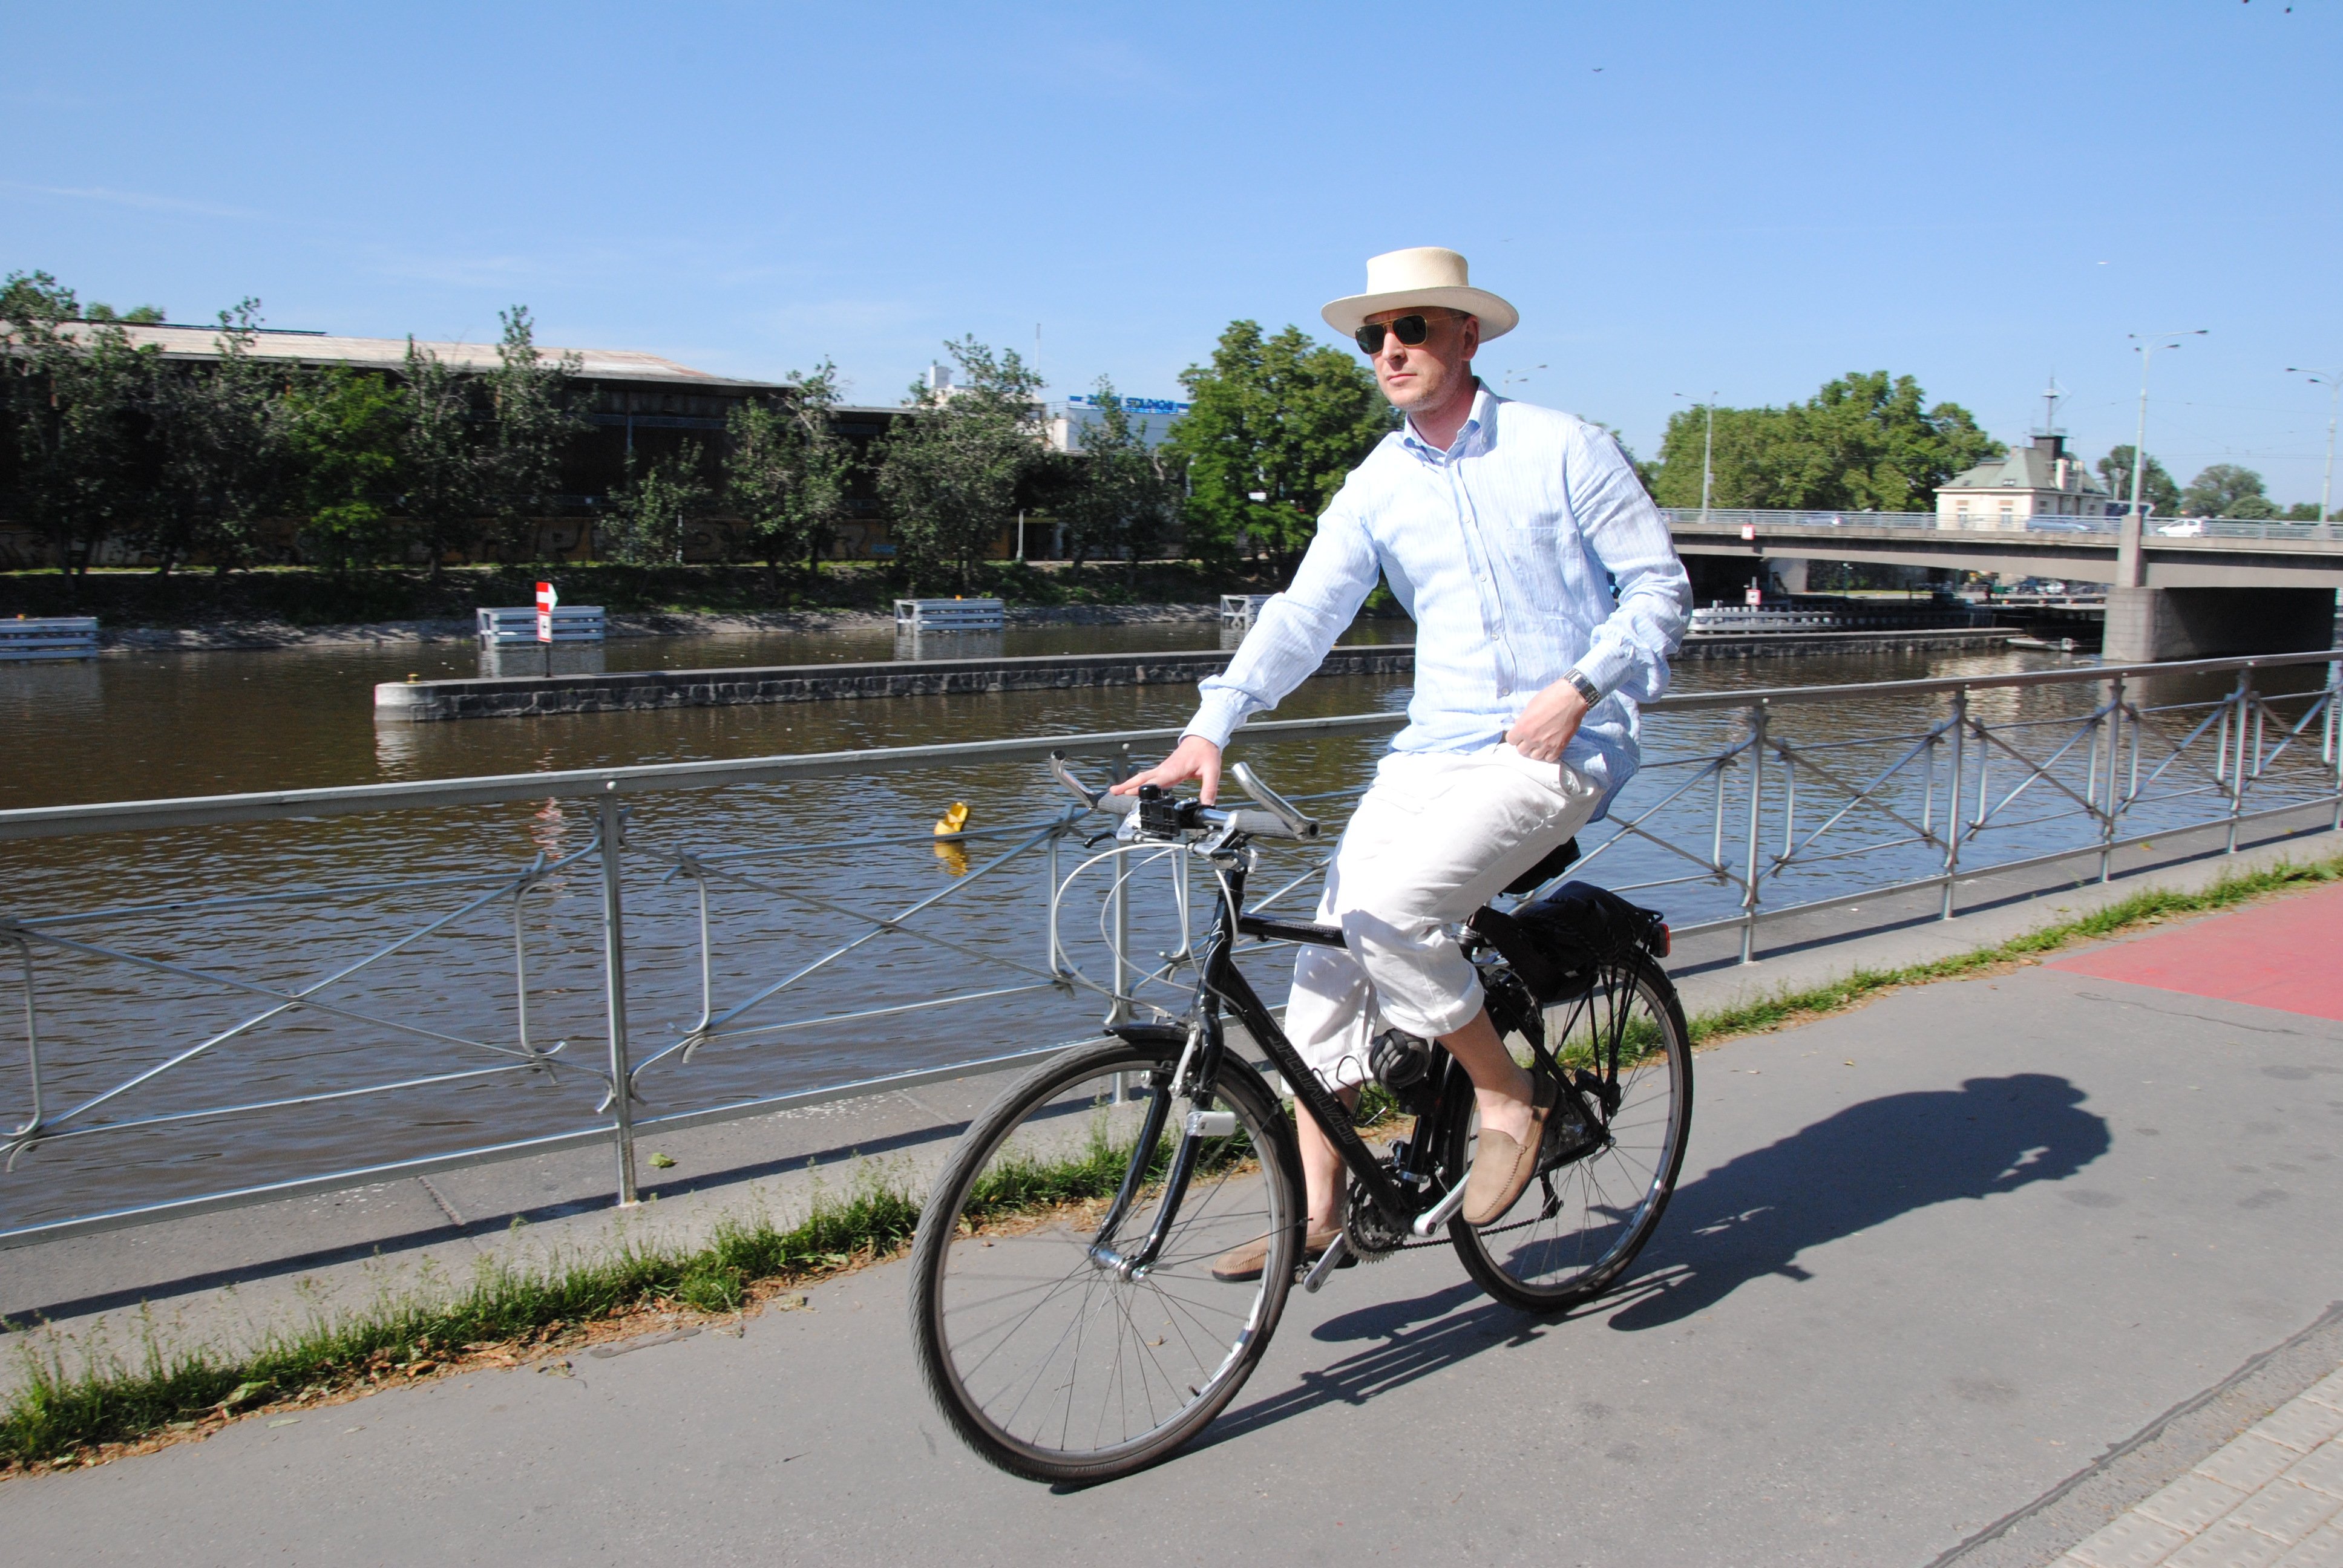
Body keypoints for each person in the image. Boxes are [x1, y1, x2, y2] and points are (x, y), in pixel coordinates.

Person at [1111, 246, 1693, 1279]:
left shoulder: (1565, 448)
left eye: (1412, 328)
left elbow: (1659, 592)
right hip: (1434, 749)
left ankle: (1514, 1097)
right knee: (1329, 956)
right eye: (1372, 336)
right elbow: (1304, 614)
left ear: (1469, 335)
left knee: (1394, 913)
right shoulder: (1379, 480)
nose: (1389, 349)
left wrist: (1581, 686)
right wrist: (1213, 725)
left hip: (1554, 745)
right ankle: (1322, 1213)